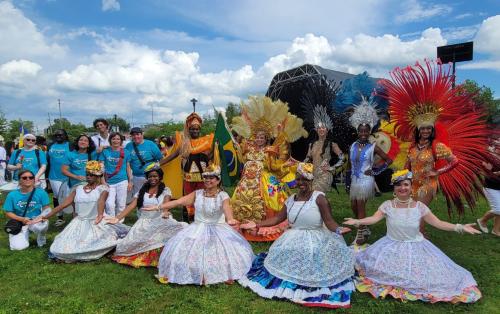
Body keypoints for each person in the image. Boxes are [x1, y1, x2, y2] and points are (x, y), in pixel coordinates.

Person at [344, 169, 482, 303]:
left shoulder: (419, 207)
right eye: (399, 185)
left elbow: (438, 223)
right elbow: (374, 219)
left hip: (416, 246)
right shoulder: (387, 205)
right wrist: (358, 221)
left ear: (411, 188)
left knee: (425, 277)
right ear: (394, 188)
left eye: (406, 184)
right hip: (390, 245)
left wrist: (460, 227)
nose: (402, 188)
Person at [381, 59, 490, 218]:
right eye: (423, 128)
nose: (425, 131)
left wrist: (437, 172)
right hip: (413, 184)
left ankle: (420, 239)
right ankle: (417, 238)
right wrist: (402, 175)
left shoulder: (437, 145)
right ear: (418, 130)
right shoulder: (413, 146)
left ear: (431, 129)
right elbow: (408, 164)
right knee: (411, 215)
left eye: (428, 128)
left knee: (418, 215)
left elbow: (455, 161)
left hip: (428, 185)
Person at [239, 163, 355, 309]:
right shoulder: (291, 199)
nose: (301, 183)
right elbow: (277, 219)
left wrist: (338, 230)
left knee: (310, 255)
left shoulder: (319, 198)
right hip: (293, 236)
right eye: (298, 179)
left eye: (304, 180)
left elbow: (329, 221)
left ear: (311, 181)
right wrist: (257, 224)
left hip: (316, 236)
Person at [146, 165, 253, 285]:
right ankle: (196, 272)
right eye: (206, 178)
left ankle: (222, 273)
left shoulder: (223, 195)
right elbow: (178, 201)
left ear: (218, 180)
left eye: (211, 178)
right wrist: (158, 206)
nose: (207, 180)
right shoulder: (197, 194)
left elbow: (226, 207)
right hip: (197, 228)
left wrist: (230, 219)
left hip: (218, 229)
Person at [230, 96, 308, 241]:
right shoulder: (248, 149)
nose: (259, 139)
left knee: (271, 200)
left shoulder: (270, 150)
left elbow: (274, 167)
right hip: (246, 181)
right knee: (239, 201)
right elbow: (240, 156)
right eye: (257, 137)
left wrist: (282, 164)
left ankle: (263, 226)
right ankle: (242, 225)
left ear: (266, 138)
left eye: (262, 137)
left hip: (264, 181)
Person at [41, 161, 129, 262]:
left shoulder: (103, 189)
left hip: (96, 221)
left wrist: (100, 215)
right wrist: (45, 216)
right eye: (87, 174)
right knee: (62, 245)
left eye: (92, 175)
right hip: (79, 221)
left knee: (94, 243)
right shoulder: (78, 189)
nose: (88, 177)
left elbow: (101, 201)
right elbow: (63, 205)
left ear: (99, 175)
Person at [106, 163, 186, 267]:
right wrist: (117, 218)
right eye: (150, 176)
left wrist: (165, 212)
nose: (153, 178)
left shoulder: (165, 190)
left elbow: (166, 204)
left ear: (160, 177)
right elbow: (131, 206)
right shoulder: (142, 191)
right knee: (125, 246)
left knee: (181, 230)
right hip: (144, 222)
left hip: (160, 220)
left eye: (155, 176)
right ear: (147, 178)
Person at [348, 99, 392, 245]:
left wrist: (375, 172)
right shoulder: (353, 145)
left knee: (360, 205)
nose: (363, 133)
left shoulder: (374, 147)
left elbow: (388, 160)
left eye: (366, 131)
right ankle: (365, 226)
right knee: (353, 206)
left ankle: (360, 234)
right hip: (355, 180)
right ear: (357, 131)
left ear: (369, 132)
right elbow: (351, 163)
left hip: (366, 181)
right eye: (361, 131)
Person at [160, 113, 214, 221]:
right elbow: (172, 156)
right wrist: (158, 164)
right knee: (188, 200)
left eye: (197, 129)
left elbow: (212, 157)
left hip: (203, 179)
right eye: (192, 129)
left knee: (202, 199)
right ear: (189, 130)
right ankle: (189, 222)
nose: (194, 131)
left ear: (200, 130)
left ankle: (202, 221)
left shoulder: (206, 142)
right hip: (188, 179)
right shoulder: (184, 144)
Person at [3, 169, 51, 250]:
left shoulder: (41, 193)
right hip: (20, 222)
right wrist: (22, 219)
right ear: (19, 180)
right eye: (24, 178)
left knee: (43, 224)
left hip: (36, 220)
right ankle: (22, 235)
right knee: (18, 247)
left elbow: (47, 209)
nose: (28, 179)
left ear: (34, 180)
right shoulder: (12, 195)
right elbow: (8, 212)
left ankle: (41, 235)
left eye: (31, 177)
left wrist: (41, 218)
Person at [303, 105, 346, 193]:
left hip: (325, 175)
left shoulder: (332, 144)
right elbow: (307, 158)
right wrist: (300, 165)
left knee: (316, 194)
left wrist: (332, 168)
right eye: (319, 128)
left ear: (327, 130)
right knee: (312, 198)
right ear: (316, 129)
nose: (321, 129)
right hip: (313, 175)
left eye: (323, 128)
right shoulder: (311, 144)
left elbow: (342, 158)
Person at [99, 132, 132, 218]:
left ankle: (119, 222)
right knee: (109, 204)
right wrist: (102, 181)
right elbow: (101, 167)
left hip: (122, 180)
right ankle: (111, 223)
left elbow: (128, 167)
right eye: (113, 139)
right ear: (110, 140)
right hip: (108, 182)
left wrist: (130, 181)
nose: (116, 141)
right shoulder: (105, 152)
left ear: (121, 141)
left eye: (118, 139)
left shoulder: (126, 152)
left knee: (121, 205)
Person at [125, 127, 163, 197]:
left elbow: (160, 159)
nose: (136, 136)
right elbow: (126, 162)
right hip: (136, 177)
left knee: (151, 196)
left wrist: (155, 174)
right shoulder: (128, 146)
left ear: (142, 135)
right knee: (138, 197)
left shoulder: (150, 144)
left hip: (150, 177)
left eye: (138, 134)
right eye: (133, 135)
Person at [46, 129, 71, 227]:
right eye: (56, 135)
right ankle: (60, 217)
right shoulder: (50, 145)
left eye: (61, 135)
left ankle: (75, 216)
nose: (58, 136)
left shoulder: (71, 145)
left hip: (69, 176)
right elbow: (47, 161)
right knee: (57, 197)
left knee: (71, 197)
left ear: (65, 135)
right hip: (54, 177)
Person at [476, 140, 500, 236]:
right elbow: (486, 174)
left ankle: (496, 230)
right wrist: (498, 173)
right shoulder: (491, 158)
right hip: (491, 187)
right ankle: (482, 220)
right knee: (498, 209)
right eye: (498, 146)